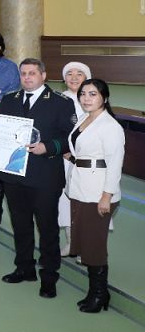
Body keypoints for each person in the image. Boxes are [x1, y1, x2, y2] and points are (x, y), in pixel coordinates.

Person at [0, 58, 75, 299]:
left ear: (43, 75)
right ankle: (24, 267)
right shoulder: (9, 100)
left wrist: (48, 147)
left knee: (47, 228)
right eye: (23, 73)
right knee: (20, 225)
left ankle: (49, 276)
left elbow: (72, 137)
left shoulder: (61, 103)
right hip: (14, 174)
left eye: (32, 73)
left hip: (45, 176)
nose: (27, 77)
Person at [67, 79, 123, 313]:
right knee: (87, 242)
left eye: (93, 94)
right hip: (81, 187)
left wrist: (106, 196)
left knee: (94, 245)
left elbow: (115, 164)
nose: (86, 98)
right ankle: (97, 292)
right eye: (83, 94)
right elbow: (81, 149)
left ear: (104, 98)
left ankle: (99, 295)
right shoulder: (84, 118)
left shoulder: (110, 126)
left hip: (98, 193)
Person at [59, 61, 92, 256]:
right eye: (69, 73)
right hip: (63, 160)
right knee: (65, 203)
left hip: (88, 162)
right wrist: (64, 150)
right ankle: (72, 242)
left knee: (85, 203)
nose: (74, 77)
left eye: (79, 73)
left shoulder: (94, 100)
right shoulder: (57, 99)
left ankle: (85, 247)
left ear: (87, 77)